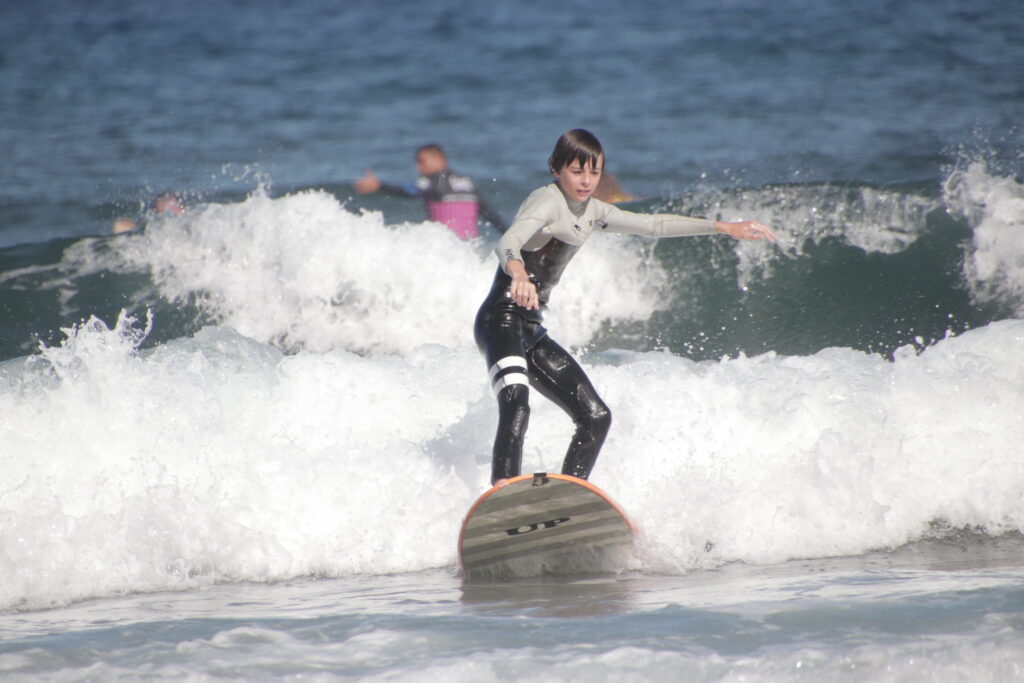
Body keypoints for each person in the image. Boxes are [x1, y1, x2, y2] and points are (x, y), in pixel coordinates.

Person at [474, 129, 776, 487]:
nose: (586, 181)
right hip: (501, 320)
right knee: (516, 401)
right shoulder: (545, 202)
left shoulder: (594, 211)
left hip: (530, 329)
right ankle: (503, 487)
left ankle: (570, 494)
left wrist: (722, 227)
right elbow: (508, 241)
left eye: (594, 172)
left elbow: (653, 225)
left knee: (595, 417)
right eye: (576, 171)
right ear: (556, 169)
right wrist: (519, 273)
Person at [354, 144, 506, 239]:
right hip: (470, 247)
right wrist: (508, 236)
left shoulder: (431, 181)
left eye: (421, 161)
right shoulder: (467, 182)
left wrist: (380, 185)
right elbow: (489, 214)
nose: (418, 167)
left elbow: (410, 191)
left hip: (445, 245)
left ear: (438, 159)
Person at [112, 191, 184, 234]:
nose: (161, 213)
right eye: (158, 212)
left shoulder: (186, 224)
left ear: (181, 209)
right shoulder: (150, 226)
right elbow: (120, 225)